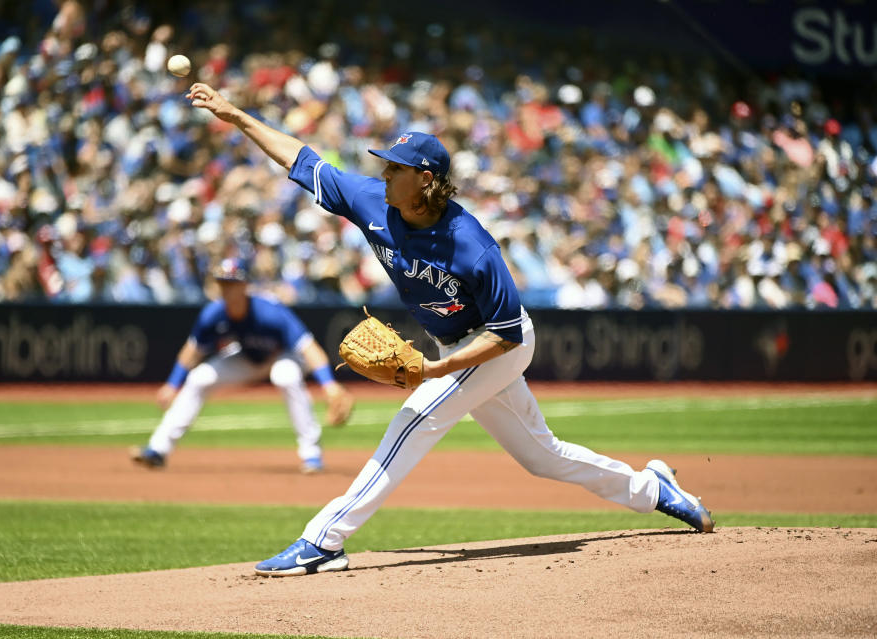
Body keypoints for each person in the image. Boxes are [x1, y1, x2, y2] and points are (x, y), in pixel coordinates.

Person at [185, 82, 714, 577]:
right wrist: (234, 115)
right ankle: (654, 489)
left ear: (427, 181)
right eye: (386, 166)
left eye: (397, 168)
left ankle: (324, 539)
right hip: (454, 344)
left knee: (414, 422)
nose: (385, 173)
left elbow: (506, 333)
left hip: (496, 345)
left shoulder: (473, 245)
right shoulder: (372, 201)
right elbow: (301, 158)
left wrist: (438, 369)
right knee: (542, 456)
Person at [130, 257, 354, 474]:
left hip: (283, 356)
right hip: (247, 358)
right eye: (223, 283)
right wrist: (172, 384)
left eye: (232, 283)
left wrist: (329, 385)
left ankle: (311, 454)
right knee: (200, 377)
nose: (227, 289)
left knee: (285, 376)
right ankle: (158, 450)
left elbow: (309, 348)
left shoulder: (270, 311)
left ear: (245, 285)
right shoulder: (213, 314)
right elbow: (192, 351)